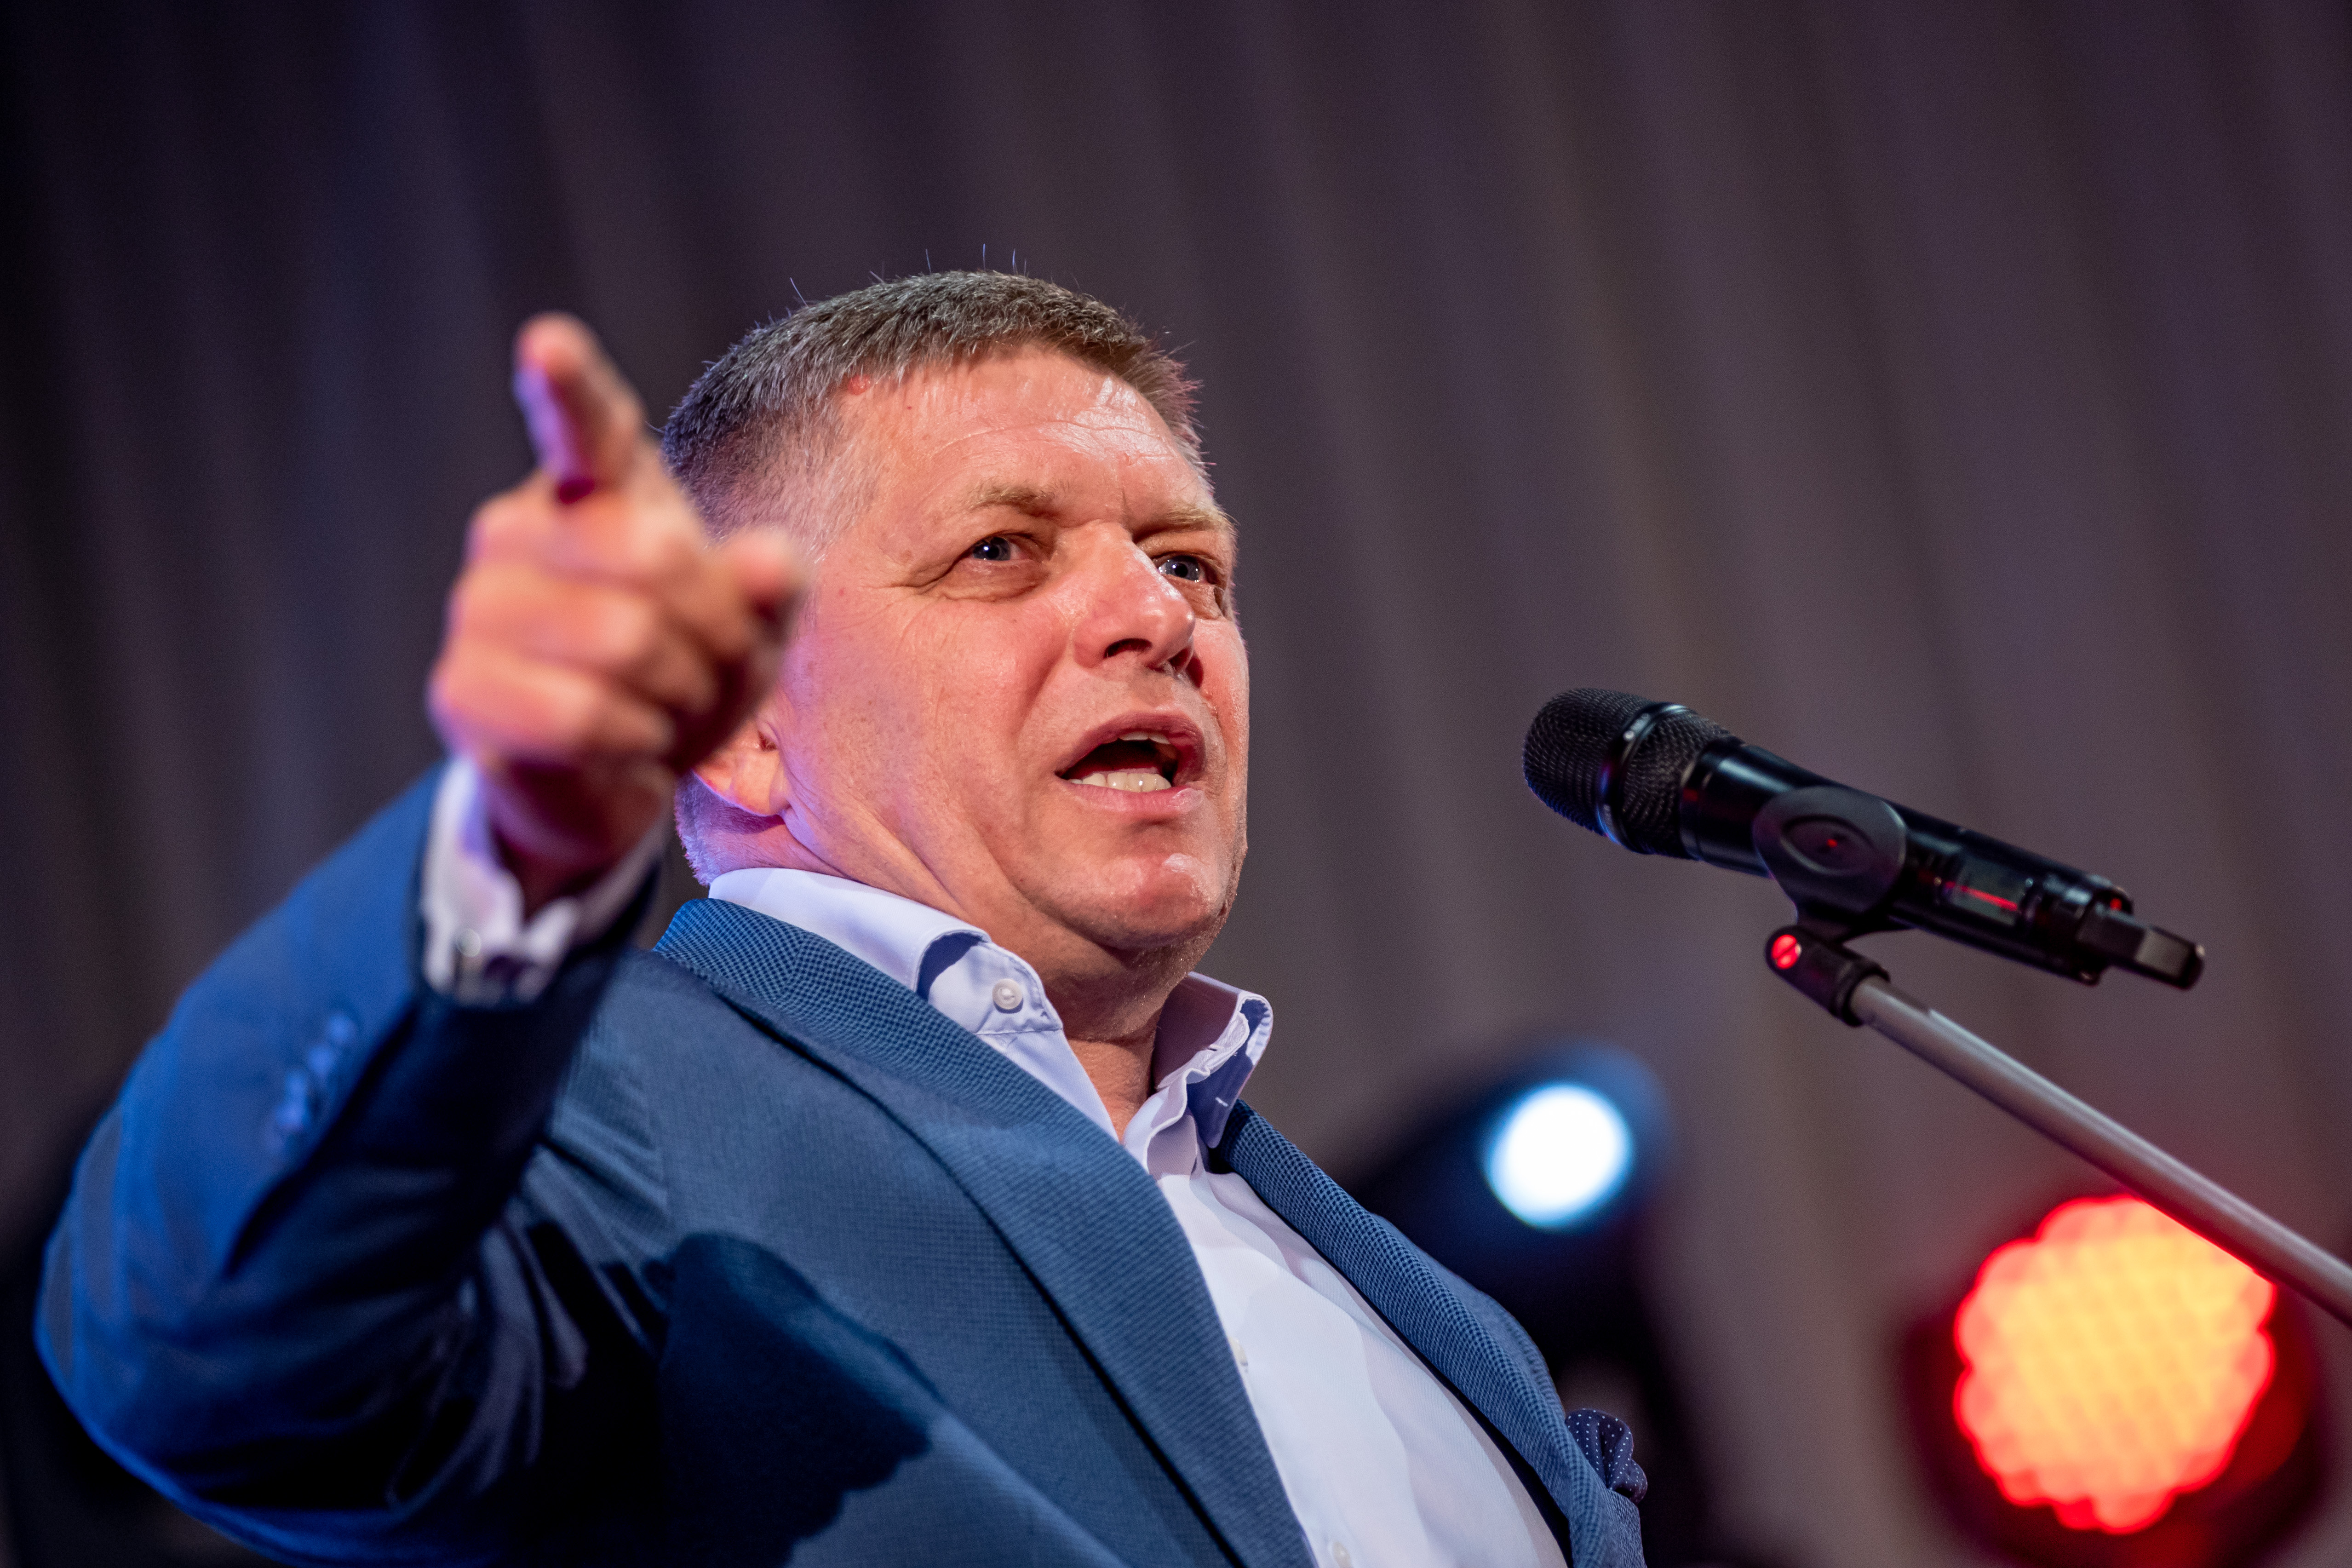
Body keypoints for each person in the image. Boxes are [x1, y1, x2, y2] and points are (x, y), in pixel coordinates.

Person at [38, 273, 1648, 1567]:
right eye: (1000, 552)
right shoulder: (619, 1110)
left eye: (1189, 563)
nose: (1155, 617)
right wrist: (501, 854)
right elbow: (200, 1357)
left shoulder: (1418, 1304)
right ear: (740, 715)